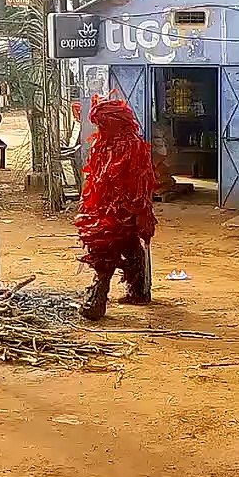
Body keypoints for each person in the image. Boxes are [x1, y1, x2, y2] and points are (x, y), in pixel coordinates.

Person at [75, 99, 157, 320]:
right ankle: (138, 291)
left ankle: (99, 296)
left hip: (126, 211)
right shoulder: (101, 145)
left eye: (103, 124)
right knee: (123, 248)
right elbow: (94, 179)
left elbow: (141, 182)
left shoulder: (133, 146)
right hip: (103, 209)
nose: (100, 129)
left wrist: (138, 210)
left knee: (114, 249)